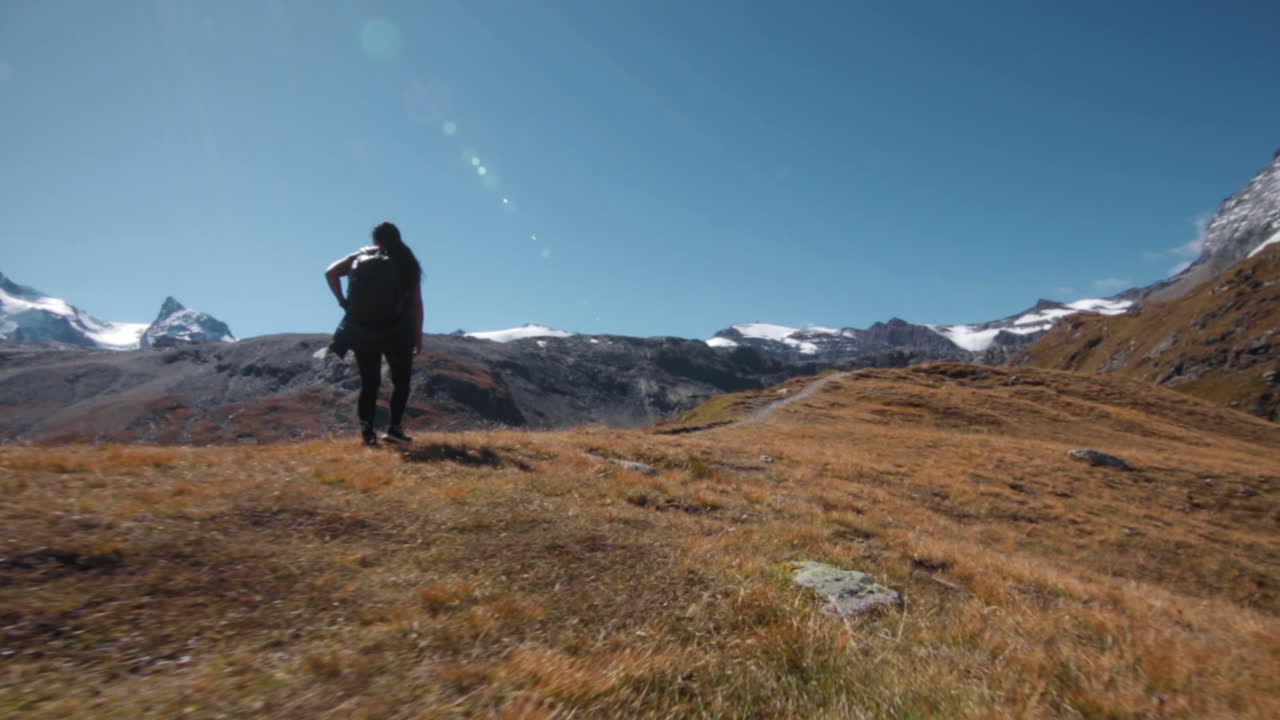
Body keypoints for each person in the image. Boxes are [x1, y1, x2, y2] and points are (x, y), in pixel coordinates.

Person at [325, 221, 424, 446]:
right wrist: (417, 335)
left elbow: (330, 273)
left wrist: (343, 301)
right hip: (398, 330)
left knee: (370, 383)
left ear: (375, 239)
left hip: (363, 330)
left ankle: (367, 435)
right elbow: (416, 303)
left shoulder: (359, 258)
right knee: (401, 382)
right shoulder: (406, 262)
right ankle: (395, 430)